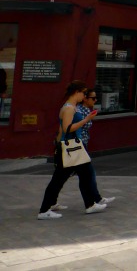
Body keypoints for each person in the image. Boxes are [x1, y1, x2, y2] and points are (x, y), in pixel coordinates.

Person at [37, 80, 106, 219]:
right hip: (70, 147)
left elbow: (60, 130)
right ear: (76, 92)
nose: (84, 96)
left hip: (73, 147)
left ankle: (90, 205)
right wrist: (86, 119)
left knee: (85, 174)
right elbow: (67, 128)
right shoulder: (69, 108)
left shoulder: (71, 107)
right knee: (58, 180)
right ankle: (44, 211)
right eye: (83, 93)